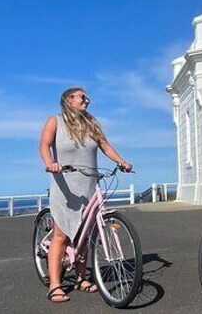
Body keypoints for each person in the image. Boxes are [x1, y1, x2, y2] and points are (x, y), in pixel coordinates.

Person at [38, 86, 132, 303]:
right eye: (82, 97)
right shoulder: (55, 121)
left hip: (88, 183)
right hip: (65, 185)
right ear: (68, 100)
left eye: (86, 97)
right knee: (61, 236)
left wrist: (121, 161)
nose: (87, 101)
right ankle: (54, 285)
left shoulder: (91, 124)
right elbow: (44, 146)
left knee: (85, 235)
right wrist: (50, 163)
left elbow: (105, 146)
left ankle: (81, 278)